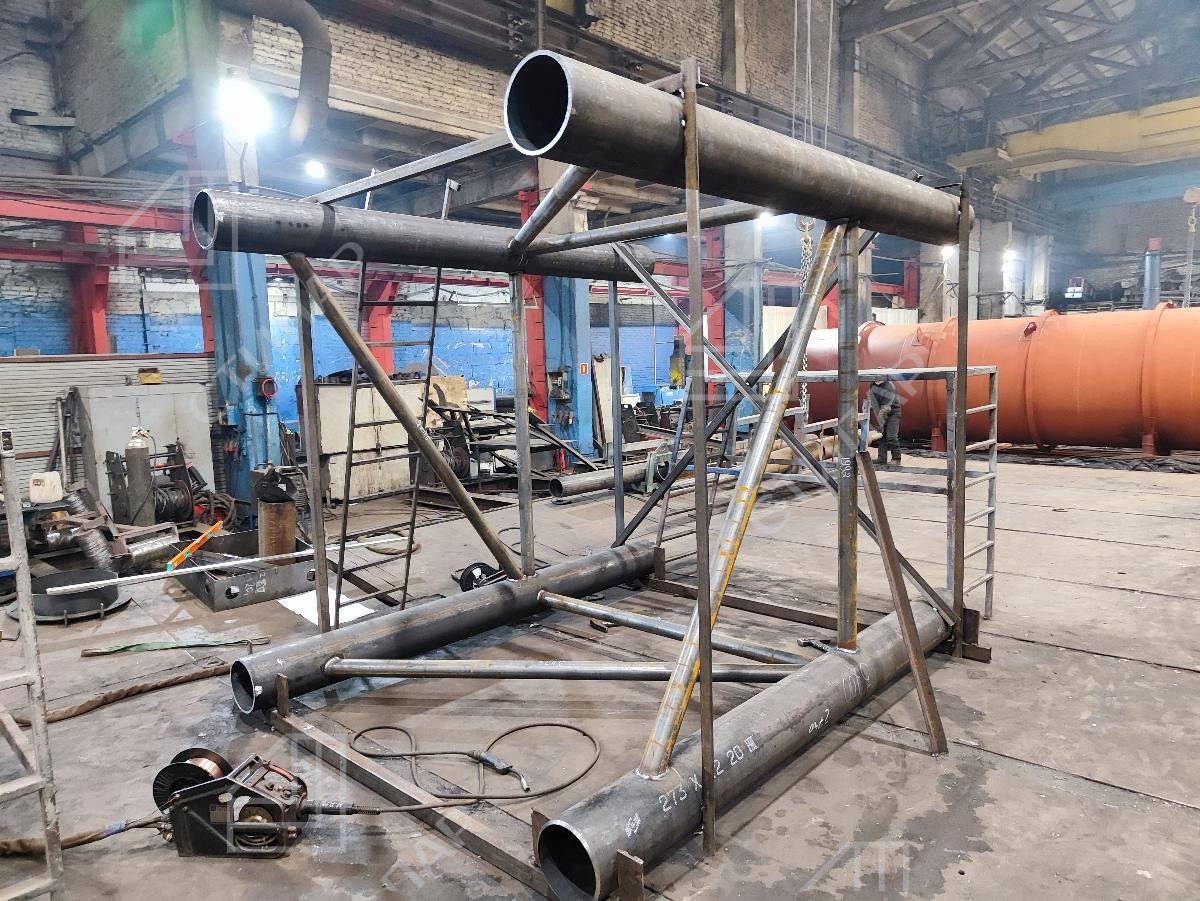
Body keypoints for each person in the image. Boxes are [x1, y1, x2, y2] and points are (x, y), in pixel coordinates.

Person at [868, 376, 901, 466]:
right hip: (882, 411)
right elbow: (872, 399)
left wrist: (880, 423)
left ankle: (896, 459)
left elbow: (886, 408)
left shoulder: (889, 386)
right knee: (881, 436)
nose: (877, 380)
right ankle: (882, 458)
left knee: (891, 436)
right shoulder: (872, 385)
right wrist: (868, 407)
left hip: (893, 413)